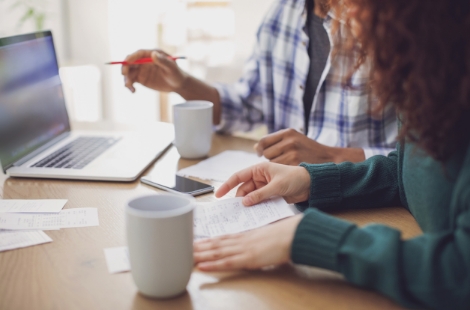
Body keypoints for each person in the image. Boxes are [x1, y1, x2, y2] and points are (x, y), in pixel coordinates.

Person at [193, 0, 470, 309]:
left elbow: (460, 273)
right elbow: (405, 172)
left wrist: (315, 237)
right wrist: (310, 179)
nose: (348, 15)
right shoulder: (428, 78)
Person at [121, 0, 397, 166]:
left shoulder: (395, 23)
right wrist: (181, 82)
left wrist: (331, 157)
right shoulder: (283, 12)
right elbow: (247, 105)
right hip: (286, 201)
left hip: (368, 209)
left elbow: (421, 164)